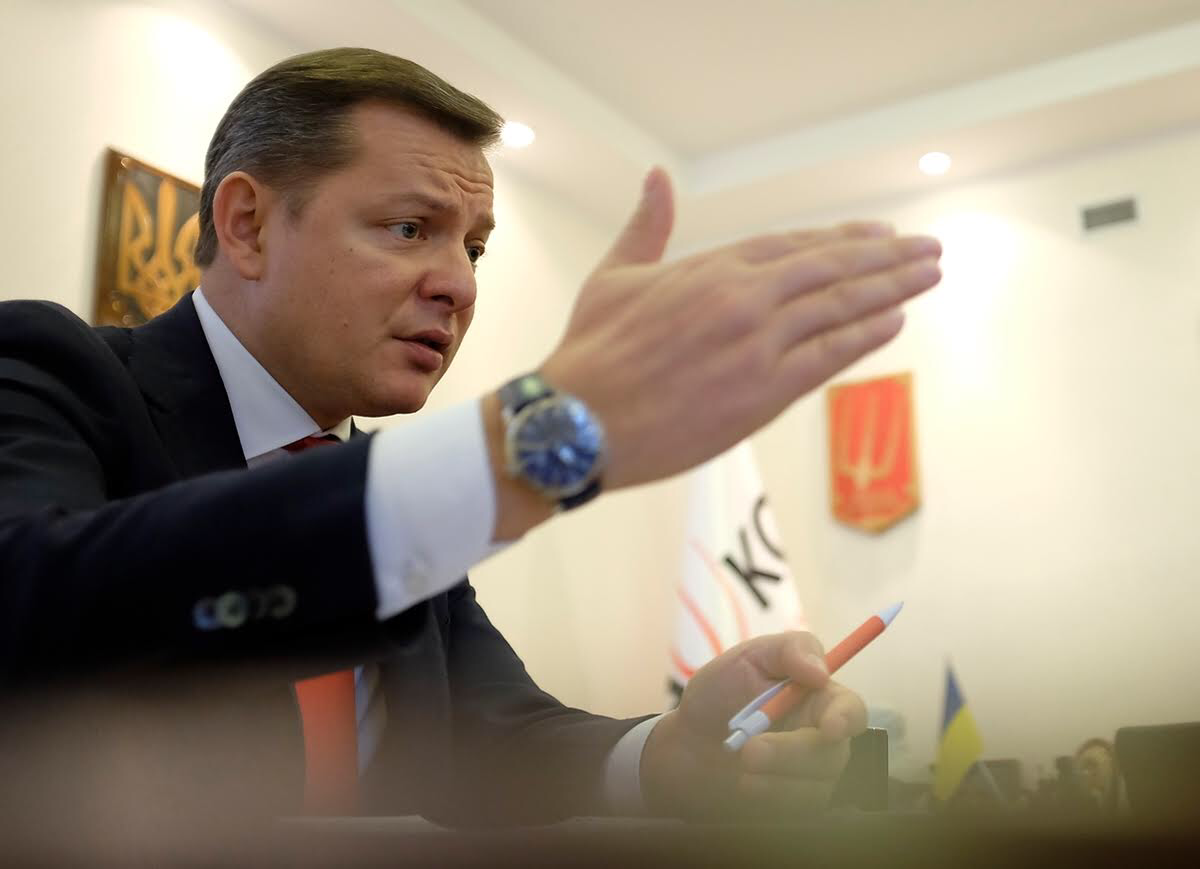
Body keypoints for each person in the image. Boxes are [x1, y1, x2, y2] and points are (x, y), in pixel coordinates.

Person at [0, 48, 942, 836]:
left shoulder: (391, 490)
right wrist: (519, 452)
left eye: (475, 246)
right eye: (410, 227)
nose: (459, 283)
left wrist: (672, 752)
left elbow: (493, 734)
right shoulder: (52, 368)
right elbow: (35, 605)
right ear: (246, 225)